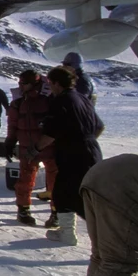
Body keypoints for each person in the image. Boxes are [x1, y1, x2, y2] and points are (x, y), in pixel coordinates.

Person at [35, 66, 104, 245]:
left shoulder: (61, 102)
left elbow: (50, 133)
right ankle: (81, 232)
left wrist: (34, 149)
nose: (50, 87)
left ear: (57, 83)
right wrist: (86, 141)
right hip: (92, 151)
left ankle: (70, 234)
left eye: (50, 83)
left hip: (73, 154)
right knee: (85, 193)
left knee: (65, 194)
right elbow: (99, 126)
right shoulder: (83, 99)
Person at [5, 70, 57, 227]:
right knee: (25, 180)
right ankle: (23, 210)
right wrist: (10, 141)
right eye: (20, 83)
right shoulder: (18, 103)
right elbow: (13, 124)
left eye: (24, 83)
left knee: (55, 181)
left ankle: (57, 212)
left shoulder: (50, 101)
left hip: (49, 147)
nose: (21, 86)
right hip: (27, 149)